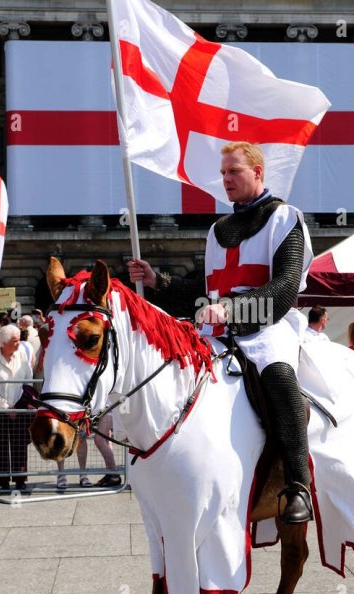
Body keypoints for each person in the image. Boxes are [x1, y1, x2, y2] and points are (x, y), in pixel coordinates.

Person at [128, 141, 314, 523]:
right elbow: (204, 288)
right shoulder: (218, 230)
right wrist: (158, 282)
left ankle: (298, 485)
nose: (226, 179)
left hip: (269, 325)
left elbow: (283, 290)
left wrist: (230, 309)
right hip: (219, 327)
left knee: (278, 376)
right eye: (224, 172)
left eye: (234, 171)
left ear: (258, 173)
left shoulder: (285, 219)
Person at [0, 325, 32, 492]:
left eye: (19, 340)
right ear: (3, 343)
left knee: (20, 444)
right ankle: (1, 481)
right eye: (14, 341)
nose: (18, 344)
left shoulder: (22, 355)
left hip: (19, 408)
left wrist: (18, 406)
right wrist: (5, 407)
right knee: (0, 445)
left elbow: (28, 380)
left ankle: (20, 479)